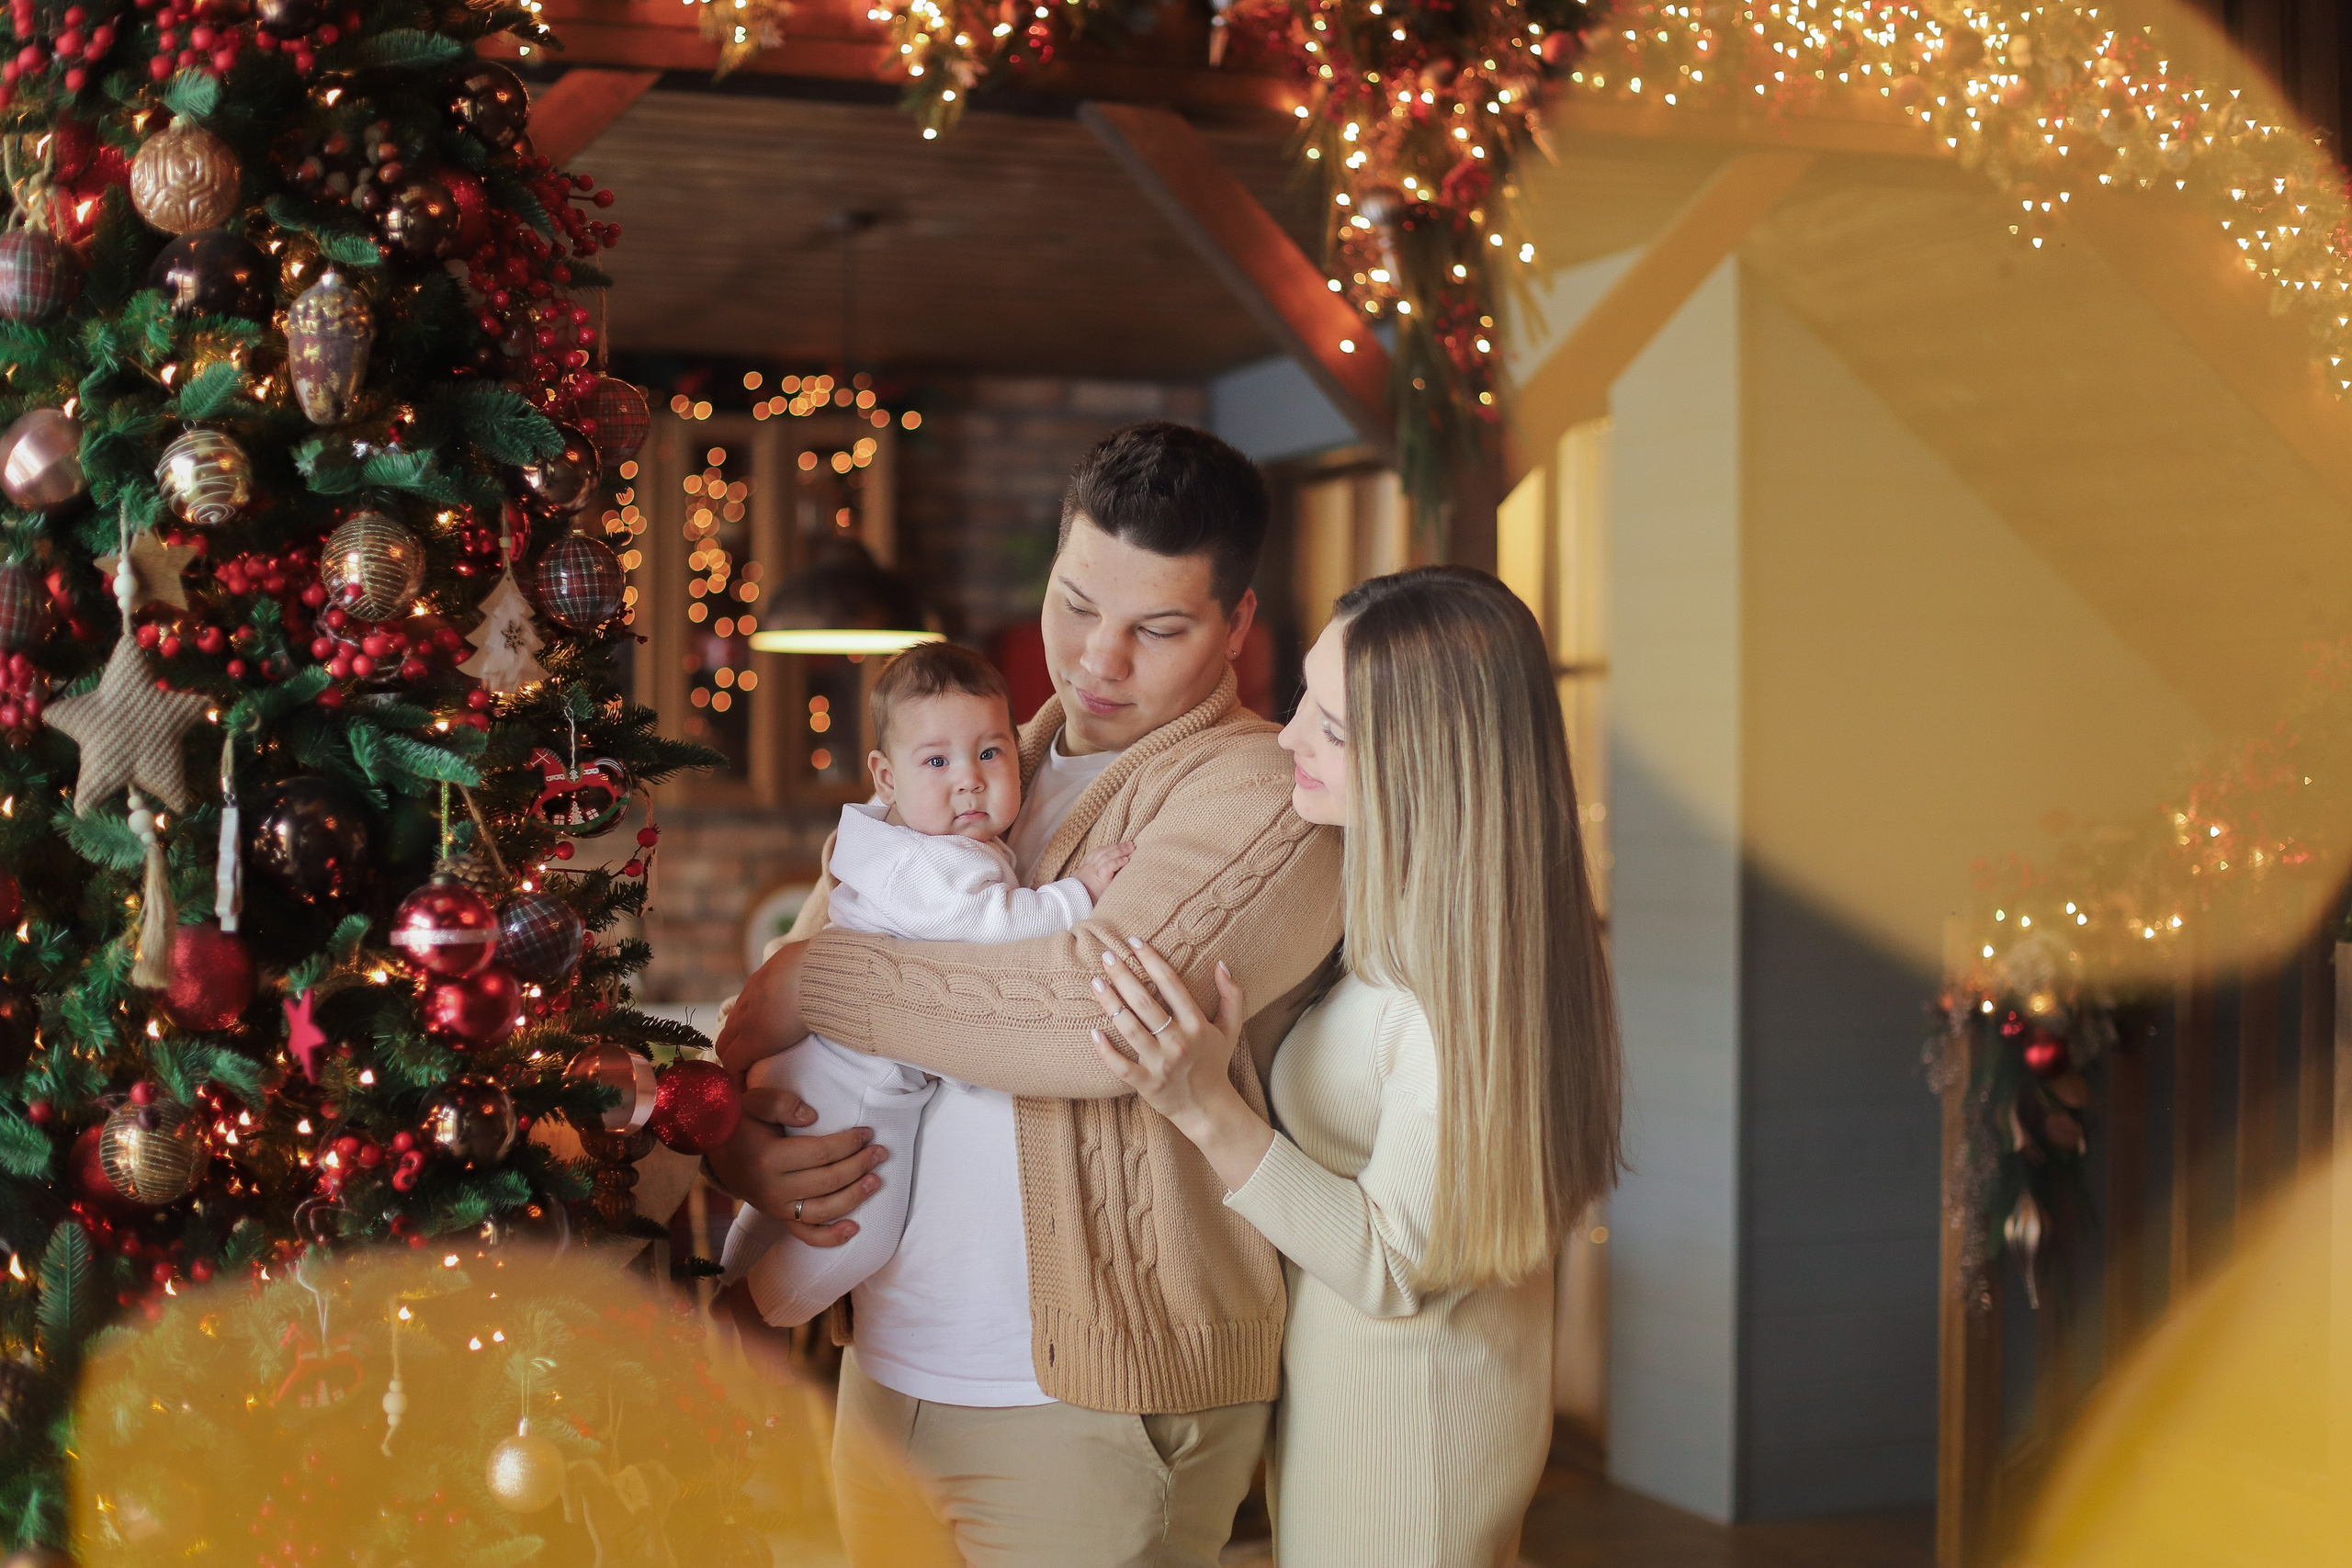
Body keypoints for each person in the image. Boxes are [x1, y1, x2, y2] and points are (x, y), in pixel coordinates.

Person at [709, 421, 1346, 1568]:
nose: (1097, 660)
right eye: (1074, 604)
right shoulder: (972, 758)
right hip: (887, 1369)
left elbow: (1084, 1022)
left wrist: (830, 980)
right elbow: (767, 1021)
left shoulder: (1260, 795)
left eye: (1156, 627)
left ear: (1237, 626)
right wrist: (743, 1145)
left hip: (1093, 1405)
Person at [1089, 566, 1624, 1568]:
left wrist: (1206, 1109)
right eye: (1303, 697)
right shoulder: (1410, 937)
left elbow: (1393, 1266)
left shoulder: (1449, 1001)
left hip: (1408, 1439)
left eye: (1329, 726)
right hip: (1369, 1407)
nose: (1287, 735)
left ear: (1426, 763)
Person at [718, 640, 1134, 1327]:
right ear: (885, 776)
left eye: (991, 753)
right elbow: (994, 927)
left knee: (777, 1208)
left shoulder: (903, 842)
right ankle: (751, 1315)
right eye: (937, 761)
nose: (969, 779)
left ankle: (723, 1279)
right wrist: (1078, 892)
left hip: (819, 1060)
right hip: (855, 1079)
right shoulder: (932, 865)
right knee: (861, 1231)